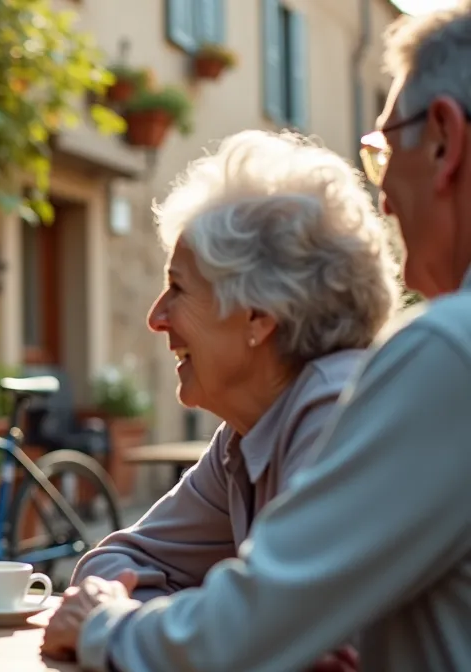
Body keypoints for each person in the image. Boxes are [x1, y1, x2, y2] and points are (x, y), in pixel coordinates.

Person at [43, 6, 471, 670]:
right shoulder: (247, 438)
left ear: (444, 139)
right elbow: (244, 616)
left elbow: (253, 629)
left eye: (385, 150)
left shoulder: (438, 357)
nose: (384, 197)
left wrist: (111, 623)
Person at [64, 127, 398, 667]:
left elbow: (275, 634)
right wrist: (202, 627)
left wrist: (133, 626)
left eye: (178, 288)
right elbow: (115, 562)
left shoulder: (338, 413)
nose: (156, 317)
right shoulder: (246, 436)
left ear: (257, 316)